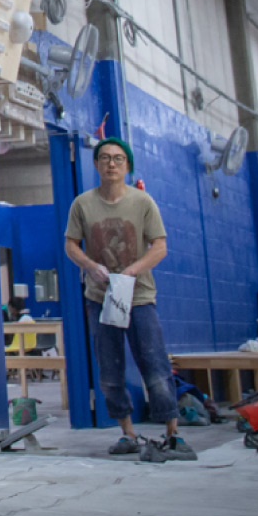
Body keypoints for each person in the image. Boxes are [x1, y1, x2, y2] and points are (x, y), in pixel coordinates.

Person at [64, 137, 193, 461]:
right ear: (96, 164)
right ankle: (128, 434)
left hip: (139, 297)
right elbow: (71, 244)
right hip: (100, 298)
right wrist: (90, 266)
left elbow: (160, 246)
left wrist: (133, 271)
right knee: (110, 369)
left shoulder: (143, 202)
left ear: (127, 165)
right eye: (105, 158)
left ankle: (173, 435)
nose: (111, 163)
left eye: (118, 159)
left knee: (155, 364)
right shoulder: (82, 203)